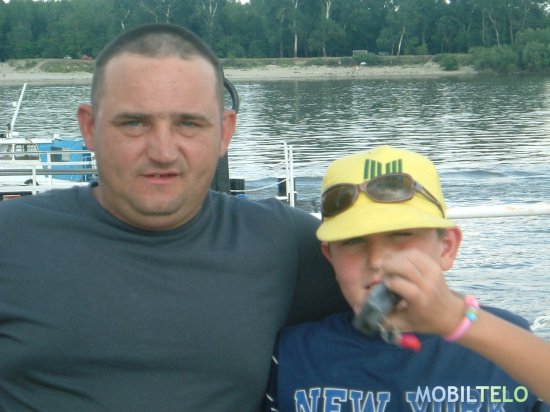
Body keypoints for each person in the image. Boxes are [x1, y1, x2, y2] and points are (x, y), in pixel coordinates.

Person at [0, 24, 348, 411]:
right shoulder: (10, 238)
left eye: (189, 124)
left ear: (224, 132)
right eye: (134, 123)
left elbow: (396, 314)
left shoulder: (285, 244)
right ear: (90, 128)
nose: (163, 152)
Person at [265, 145, 550, 411]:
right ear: (331, 257)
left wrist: (459, 322)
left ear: (446, 247)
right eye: (354, 241)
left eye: (401, 235)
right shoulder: (291, 354)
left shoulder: (511, 344)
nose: (377, 260)